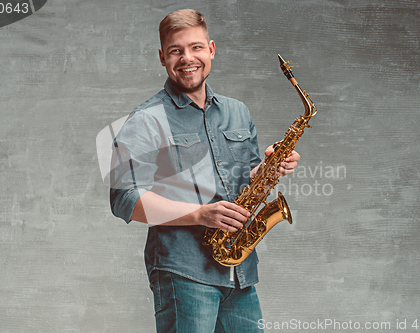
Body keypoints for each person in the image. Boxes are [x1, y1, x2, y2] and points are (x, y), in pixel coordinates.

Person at [110, 9, 300, 333]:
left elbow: (240, 184)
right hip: (184, 272)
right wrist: (201, 215)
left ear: (211, 49)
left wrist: (269, 168)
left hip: (238, 269)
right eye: (176, 50)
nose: (188, 58)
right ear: (162, 57)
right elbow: (124, 198)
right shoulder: (145, 119)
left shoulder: (238, 112)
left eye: (196, 47)